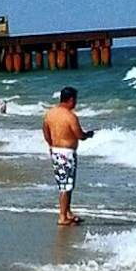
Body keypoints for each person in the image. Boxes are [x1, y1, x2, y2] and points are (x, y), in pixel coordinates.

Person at [42, 86, 95, 226]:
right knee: (66, 186)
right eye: (75, 100)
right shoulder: (70, 116)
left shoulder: (50, 113)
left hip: (56, 151)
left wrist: (50, 144)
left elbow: (45, 131)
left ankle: (67, 212)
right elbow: (79, 135)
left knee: (64, 183)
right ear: (71, 100)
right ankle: (62, 217)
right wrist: (88, 135)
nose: (76, 103)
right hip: (66, 154)